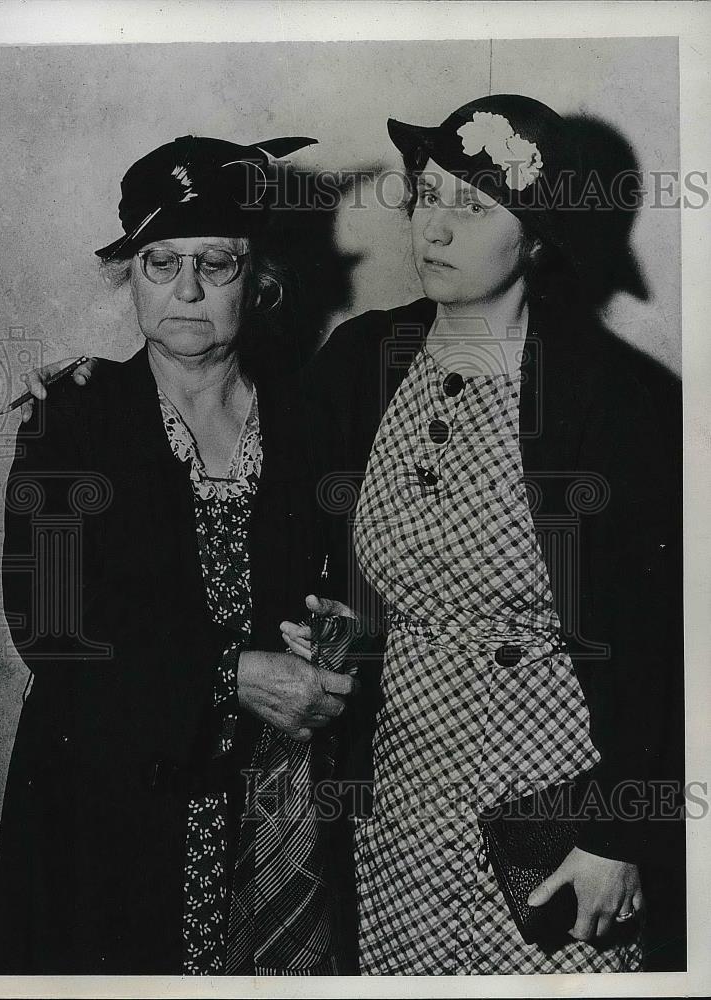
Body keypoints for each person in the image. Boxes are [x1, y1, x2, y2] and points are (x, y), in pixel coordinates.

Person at [281, 94, 683, 975]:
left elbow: (664, 644)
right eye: (428, 197)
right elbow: (263, 485)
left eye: (475, 206)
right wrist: (106, 385)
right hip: (403, 790)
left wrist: (621, 833)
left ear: (536, 238)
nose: (436, 227)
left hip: (552, 804)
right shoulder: (364, 360)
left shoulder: (611, 400)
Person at [0, 133, 359, 975]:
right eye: (161, 263)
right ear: (132, 277)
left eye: (216, 264)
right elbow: (49, 626)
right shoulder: (70, 419)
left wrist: (335, 629)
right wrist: (228, 674)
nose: (187, 289)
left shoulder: (310, 424)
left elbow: (339, 580)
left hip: (264, 811)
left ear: (258, 281)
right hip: (106, 815)